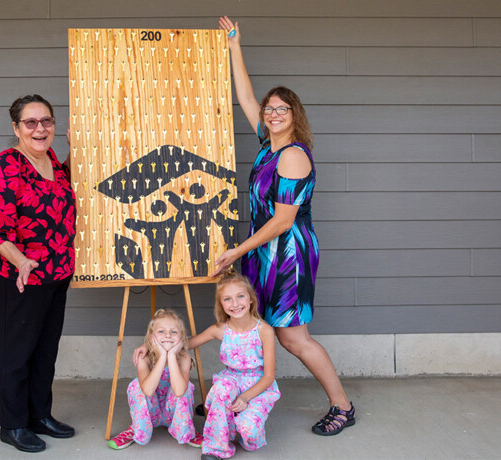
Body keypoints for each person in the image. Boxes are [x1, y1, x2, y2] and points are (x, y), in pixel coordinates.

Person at [211, 17, 355, 436]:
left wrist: (237, 251)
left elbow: (282, 220)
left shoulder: (292, 155)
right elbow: (245, 96)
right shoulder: (266, 141)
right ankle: (241, 398)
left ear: (295, 116)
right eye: (270, 109)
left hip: (287, 251)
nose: (272, 113)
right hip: (264, 248)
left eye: (281, 109)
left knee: (292, 337)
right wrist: (235, 46)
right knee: (258, 329)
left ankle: (342, 406)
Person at [0, 94, 76, 453]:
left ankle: (39, 415)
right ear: (16, 128)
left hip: (55, 272)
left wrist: (75, 148)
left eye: (46, 121)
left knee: (45, 350)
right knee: (16, 351)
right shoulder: (2, 167)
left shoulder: (52, 161)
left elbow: (62, 192)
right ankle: (14, 424)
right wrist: (20, 261)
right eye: (31, 122)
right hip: (16, 274)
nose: (40, 128)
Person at [192, 270, 280, 459]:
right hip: (231, 380)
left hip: (257, 386)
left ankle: (234, 424)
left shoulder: (264, 330)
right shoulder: (220, 330)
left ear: (250, 299)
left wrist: (245, 398)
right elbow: (186, 344)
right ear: (221, 304)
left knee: (248, 431)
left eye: (240, 296)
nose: (235, 304)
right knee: (223, 388)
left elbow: (269, 376)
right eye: (227, 299)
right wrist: (151, 346)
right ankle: (217, 447)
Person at [109, 309, 204, 450]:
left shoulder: (183, 358)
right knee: (137, 386)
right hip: (150, 414)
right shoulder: (145, 358)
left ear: (182, 338)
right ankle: (137, 428)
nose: (167, 335)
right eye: (161, 332)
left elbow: (179, 391)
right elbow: (147, 390)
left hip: (173, 415)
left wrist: (171, 356)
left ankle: (185, 429)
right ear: (151, 337)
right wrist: (161, 358)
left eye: (174, 332)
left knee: (186, 387)